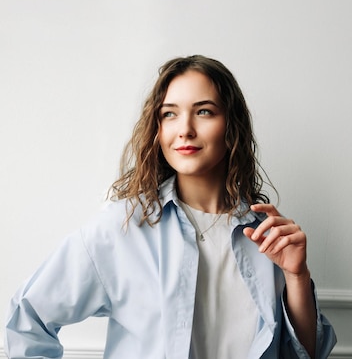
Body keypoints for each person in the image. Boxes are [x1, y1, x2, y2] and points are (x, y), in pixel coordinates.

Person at [5, 55, 336, 358]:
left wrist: (296, 276)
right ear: (157, 129)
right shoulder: (123, 227)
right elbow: (29, 318)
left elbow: (303, 354)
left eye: (204, 111)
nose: (185, 130)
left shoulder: (267, 236)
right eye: (169, 114)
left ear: (231, 126)